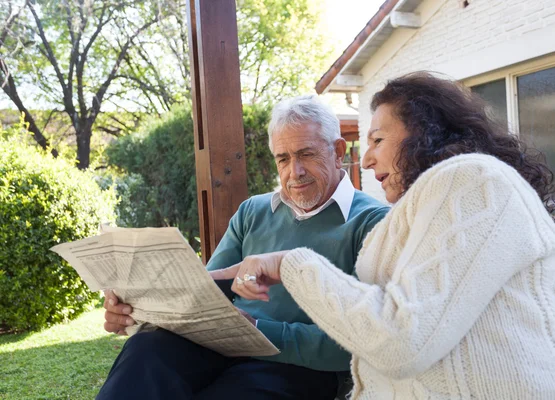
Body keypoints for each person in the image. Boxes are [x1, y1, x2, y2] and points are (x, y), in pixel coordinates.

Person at [219, 72, 555, 399]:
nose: (365, 159)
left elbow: (402, 340)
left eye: (378, 140)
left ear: (423, 133)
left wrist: (289, 264)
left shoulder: (475, 180)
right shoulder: (415, 213)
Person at [97, 95, 389, 400]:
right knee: (146, 348)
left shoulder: (372, 222)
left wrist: (260, 330)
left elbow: (365, 340)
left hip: (299, 366)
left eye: (306, 154)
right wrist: (136, 307)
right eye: (283, 158)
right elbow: (206, 295)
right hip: (223, 346)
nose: (295, 171)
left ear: (338, 151)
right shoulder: (253, 211)